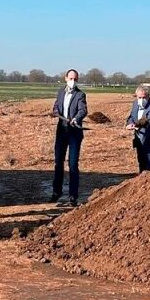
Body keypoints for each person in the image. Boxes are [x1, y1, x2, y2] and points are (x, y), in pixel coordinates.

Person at [51, 69, 88, 206]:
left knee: (73, 165)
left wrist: (76, 119)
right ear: (66, 78)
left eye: (75, 79)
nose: (73, 81)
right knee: (58, 163)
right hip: (61, 131)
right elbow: (56, 106)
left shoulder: (80, 95)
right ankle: (56, 192)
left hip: (74, 133)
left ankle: (73, 195)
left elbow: (83, 110)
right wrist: (55, 111)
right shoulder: (61, 92)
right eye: (71, 78)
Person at [125, 84, 150, 172]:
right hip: (139, 139)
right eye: (139, 98)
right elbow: (131, 116)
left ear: (148, 96)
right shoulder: (135, 104)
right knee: (141, 162)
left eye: (144, 98)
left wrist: (137, 125)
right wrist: (130, 123)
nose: (141, 100)